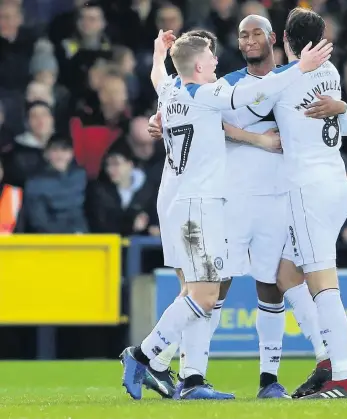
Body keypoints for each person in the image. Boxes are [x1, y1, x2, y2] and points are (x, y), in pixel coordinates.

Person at [120, 30, 333, 400]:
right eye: (211, 58)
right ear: (199, 65)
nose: (218, 62)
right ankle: (144, 356)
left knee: (195, 292)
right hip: (198, 206)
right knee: (203, 297)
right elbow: (252, 92)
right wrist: (302, 67)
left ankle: (173, 371)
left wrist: (158, 54)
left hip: (178, 202)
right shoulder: (203, 94)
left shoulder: (170, 91)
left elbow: (159, 76)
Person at [254, 7, 347, 399]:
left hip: (308, 190)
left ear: (284, 38)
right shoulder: (329, 72)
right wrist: (345, 108)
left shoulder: (283, 80)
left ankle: (343, 379)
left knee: (323, 285)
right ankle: (326, 362)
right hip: (335, 184)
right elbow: (345, 123)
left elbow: (245, 97)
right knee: (287, 275)